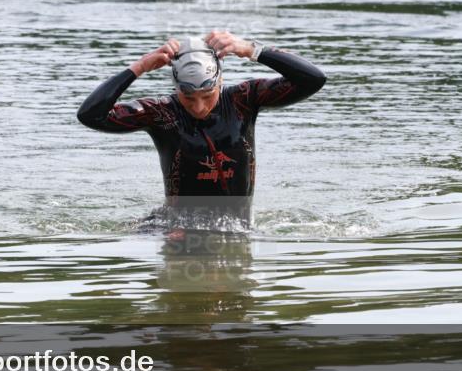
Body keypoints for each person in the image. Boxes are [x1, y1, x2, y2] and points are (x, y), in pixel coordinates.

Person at [76, 31, 326, 225]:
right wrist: (139, 67)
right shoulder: (162, 113)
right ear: (176, 88)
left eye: (207, 95)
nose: (198, 106)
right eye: (189, 98)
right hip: (176, 229)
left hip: (236, 227)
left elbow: (313, 79)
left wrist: (251, 49)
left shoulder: (243, 100)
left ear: (220, 80)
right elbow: (91, 115)